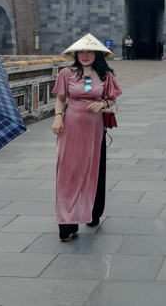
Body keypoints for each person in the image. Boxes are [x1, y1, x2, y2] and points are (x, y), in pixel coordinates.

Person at [52, 33, 122, 242]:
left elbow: (111, 99)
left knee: (94, 170)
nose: (84, 55)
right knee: (69, 172)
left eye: (89, 51)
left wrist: (102, 104)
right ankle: (67, 223)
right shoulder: (67, 73)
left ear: (97, 54)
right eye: (81, 51)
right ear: (75, 54)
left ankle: (92, 212)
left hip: (94, 129)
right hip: (71, 126)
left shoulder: (105, 75)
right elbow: (60, 98)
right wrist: (58, 118)